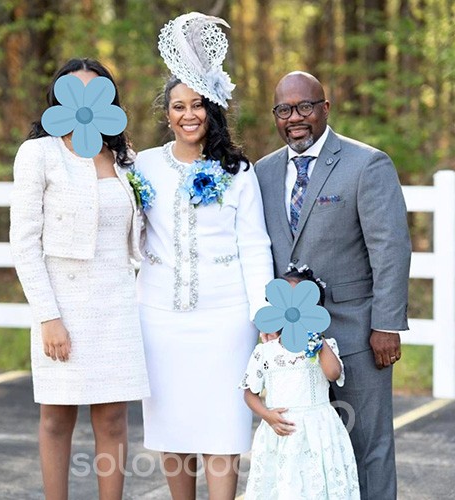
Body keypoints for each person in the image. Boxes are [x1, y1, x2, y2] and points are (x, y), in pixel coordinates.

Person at [134, 12, 274, 500]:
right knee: (172, 430)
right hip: (159, 318)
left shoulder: (238, 171)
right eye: (178, 106)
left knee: (223, 429)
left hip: (226, 320)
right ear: (167, 114)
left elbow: (254, 245)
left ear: (212, 110)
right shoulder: (143, 166)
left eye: (197, 105)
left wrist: (264, 315)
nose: (188, 114)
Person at [254, 71, 412, 500]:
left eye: (304, 106)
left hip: (356, 332)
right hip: (288, 343)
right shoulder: (262, 172)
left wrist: (386, 324)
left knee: (367, 446)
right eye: (284, 110)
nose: (294, 118)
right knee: (304, 452)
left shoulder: (366, 164)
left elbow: (390, 248)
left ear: (325, 108)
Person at [9, 57, 150, 500]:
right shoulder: (39, 153)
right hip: (63, 304)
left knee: (113, 419)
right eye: (75, 90)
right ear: (58, 98)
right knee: (56, 417)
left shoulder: (125, 158)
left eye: (96, 90)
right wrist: (48, 317)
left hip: (117, 303)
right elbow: (24, 242)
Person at [240, 264, 360, 499]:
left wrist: (319, 343)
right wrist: (266, 415)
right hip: (281, 430)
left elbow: (333, 373)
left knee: (316, 486)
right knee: (285, 486)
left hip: (318, 430)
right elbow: (249, 392)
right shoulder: (266, 352)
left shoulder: (323, 346)